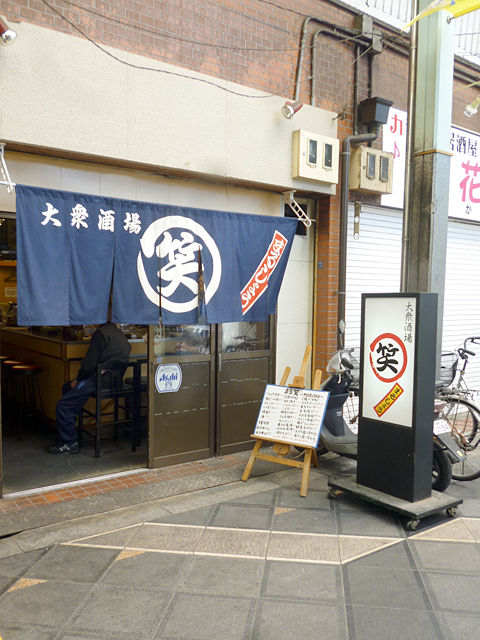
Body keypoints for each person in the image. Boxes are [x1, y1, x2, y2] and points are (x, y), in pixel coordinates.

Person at [48, 321, 131, 454]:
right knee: (67, 388)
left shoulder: (100, 334)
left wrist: (79, 379)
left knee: (63, 405)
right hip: (114, 380)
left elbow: (89, 364)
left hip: (99, 379)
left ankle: (69, 442)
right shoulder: (118, 333)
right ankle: (67, 432)